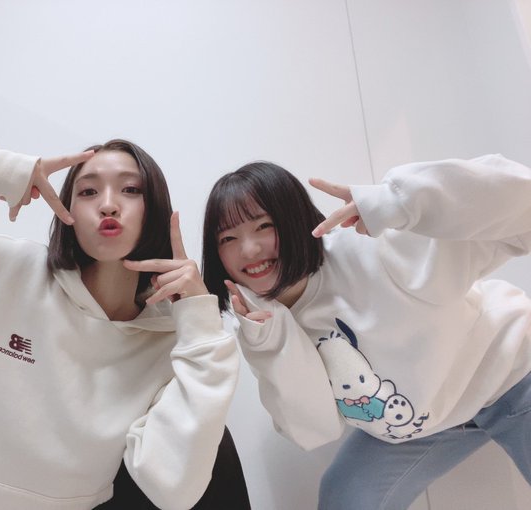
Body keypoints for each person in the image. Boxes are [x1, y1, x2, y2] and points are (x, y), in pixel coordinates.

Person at [0, 138, 244, 510]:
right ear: (65, 208)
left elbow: (174, 487)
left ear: (154, 208)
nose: (108, 204)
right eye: (88, 191)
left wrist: (201, 323)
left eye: (130, 190)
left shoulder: (170, 343)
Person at [201, 156, 531, 509]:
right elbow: (316, 429)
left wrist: (402, 200)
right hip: (424, 423)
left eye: (264, 226)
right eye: (228, 237)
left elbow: (519, 204)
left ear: (292, 218)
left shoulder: (372, 249)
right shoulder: (261, 323)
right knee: (346, 498)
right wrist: (266, 341)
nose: (249, 250)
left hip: (512, 373)